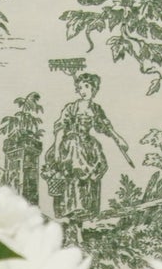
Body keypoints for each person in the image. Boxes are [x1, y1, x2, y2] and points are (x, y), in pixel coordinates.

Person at [43, 71, 132, 222]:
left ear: (94, 88)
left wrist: (119, 139)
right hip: (70, 145)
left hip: (88, 145)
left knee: (96, 165)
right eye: (80, 87)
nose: (83, 91)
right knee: (74, 168)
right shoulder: (71, 107)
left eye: (86, 86)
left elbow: (106, 127)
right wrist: (57, 150)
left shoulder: (96, 109)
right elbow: (60, 129)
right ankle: (72, 212)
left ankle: (86, 212)